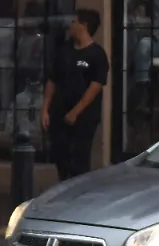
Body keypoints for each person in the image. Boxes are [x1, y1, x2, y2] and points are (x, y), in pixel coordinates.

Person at [41, 8, 108, 181]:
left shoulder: (97, 55)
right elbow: (52, 80)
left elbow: (95, 87)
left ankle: (78, 197)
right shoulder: (64, 51)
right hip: (59, 114)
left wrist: (75, 112)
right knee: (59, 156)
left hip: (84, 118)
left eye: (74, 22)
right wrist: (45, 109)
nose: (70, 25)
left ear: (83, 25)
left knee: (79, 159)